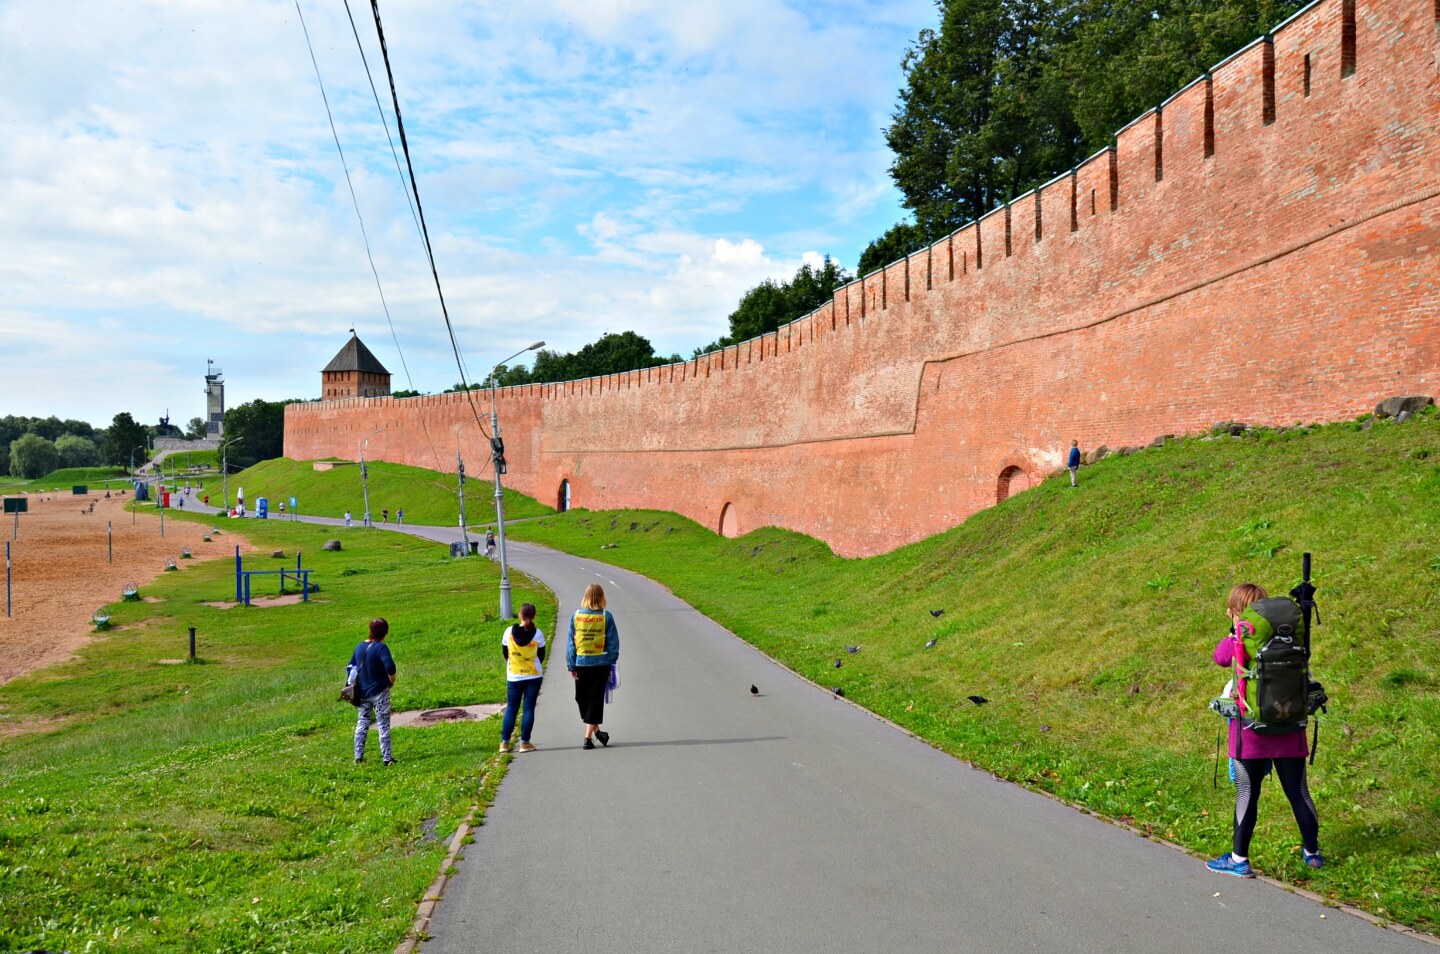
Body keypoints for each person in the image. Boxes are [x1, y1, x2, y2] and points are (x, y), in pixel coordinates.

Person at [1206, 584, 1322, 878]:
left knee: (1247, 792)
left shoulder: (1240, 636)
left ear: (1236, 611)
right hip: (1290, 727)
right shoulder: (1291, 635)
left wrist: (1235, 628)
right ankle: (1312, 854)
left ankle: (1238, 860)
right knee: (1299, 792)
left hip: (1251, 731)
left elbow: (1220, 657)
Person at [566, 583, 620, 749]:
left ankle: (587, 738)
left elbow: (570, 644)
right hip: (599, 663)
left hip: (583, 663)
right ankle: (597, 732)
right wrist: (611, 660)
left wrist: (571, 665)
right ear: (602, 597)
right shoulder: (606, 616)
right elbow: (613, 644)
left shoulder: (576, 616)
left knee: (588, 699)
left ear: (586, 597)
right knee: (588, 700)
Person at [349, 617, 398, 766]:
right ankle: (387, 758)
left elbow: (351, 667)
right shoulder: (381, 648)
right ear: (385, 632)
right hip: (379, 691)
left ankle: (358, 756)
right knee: (383, 724)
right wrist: (391, 681)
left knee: (362, 722)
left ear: (370, 630)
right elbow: (390, 667)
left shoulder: (359, 647)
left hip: (363, 692)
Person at [499, 603, 546, 754]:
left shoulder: (508, 632)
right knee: (528, 708)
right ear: (533, 616)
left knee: (512, 708)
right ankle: (524, 743)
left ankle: (504, 744)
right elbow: (541, 655)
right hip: (533, 675)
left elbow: (505, 653)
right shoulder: (537, 634)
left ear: (520, 615)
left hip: (514, 675)